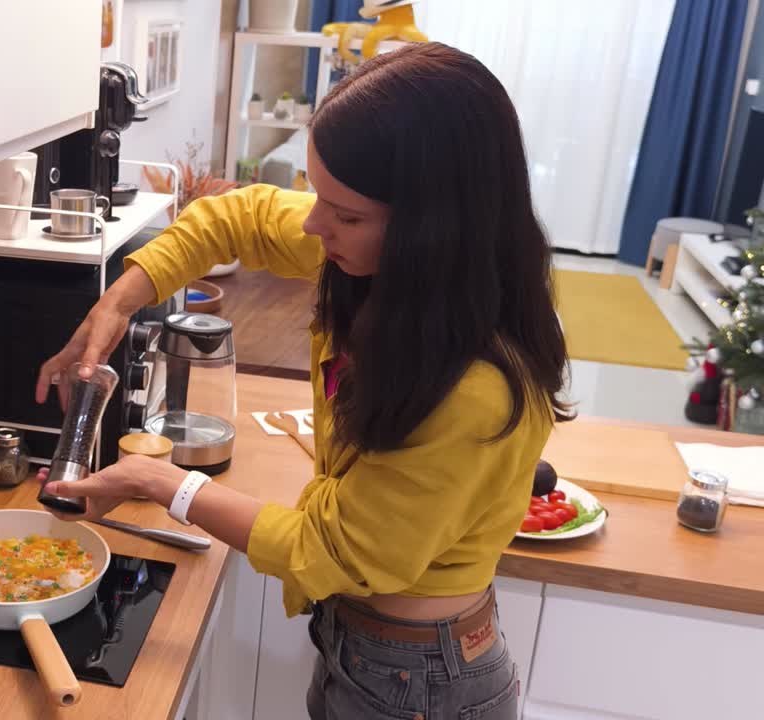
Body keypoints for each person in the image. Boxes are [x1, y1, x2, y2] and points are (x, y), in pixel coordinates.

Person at [35, 43, 570, 720]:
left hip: (424, 684)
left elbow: (330, 551)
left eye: (346, 215)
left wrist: (157, 483)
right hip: (369, 652)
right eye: (319, 196)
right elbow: (236, 217)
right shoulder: (390, 276)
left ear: (435, 230)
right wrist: (116, 302)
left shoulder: (474, 387)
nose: (316, 226)